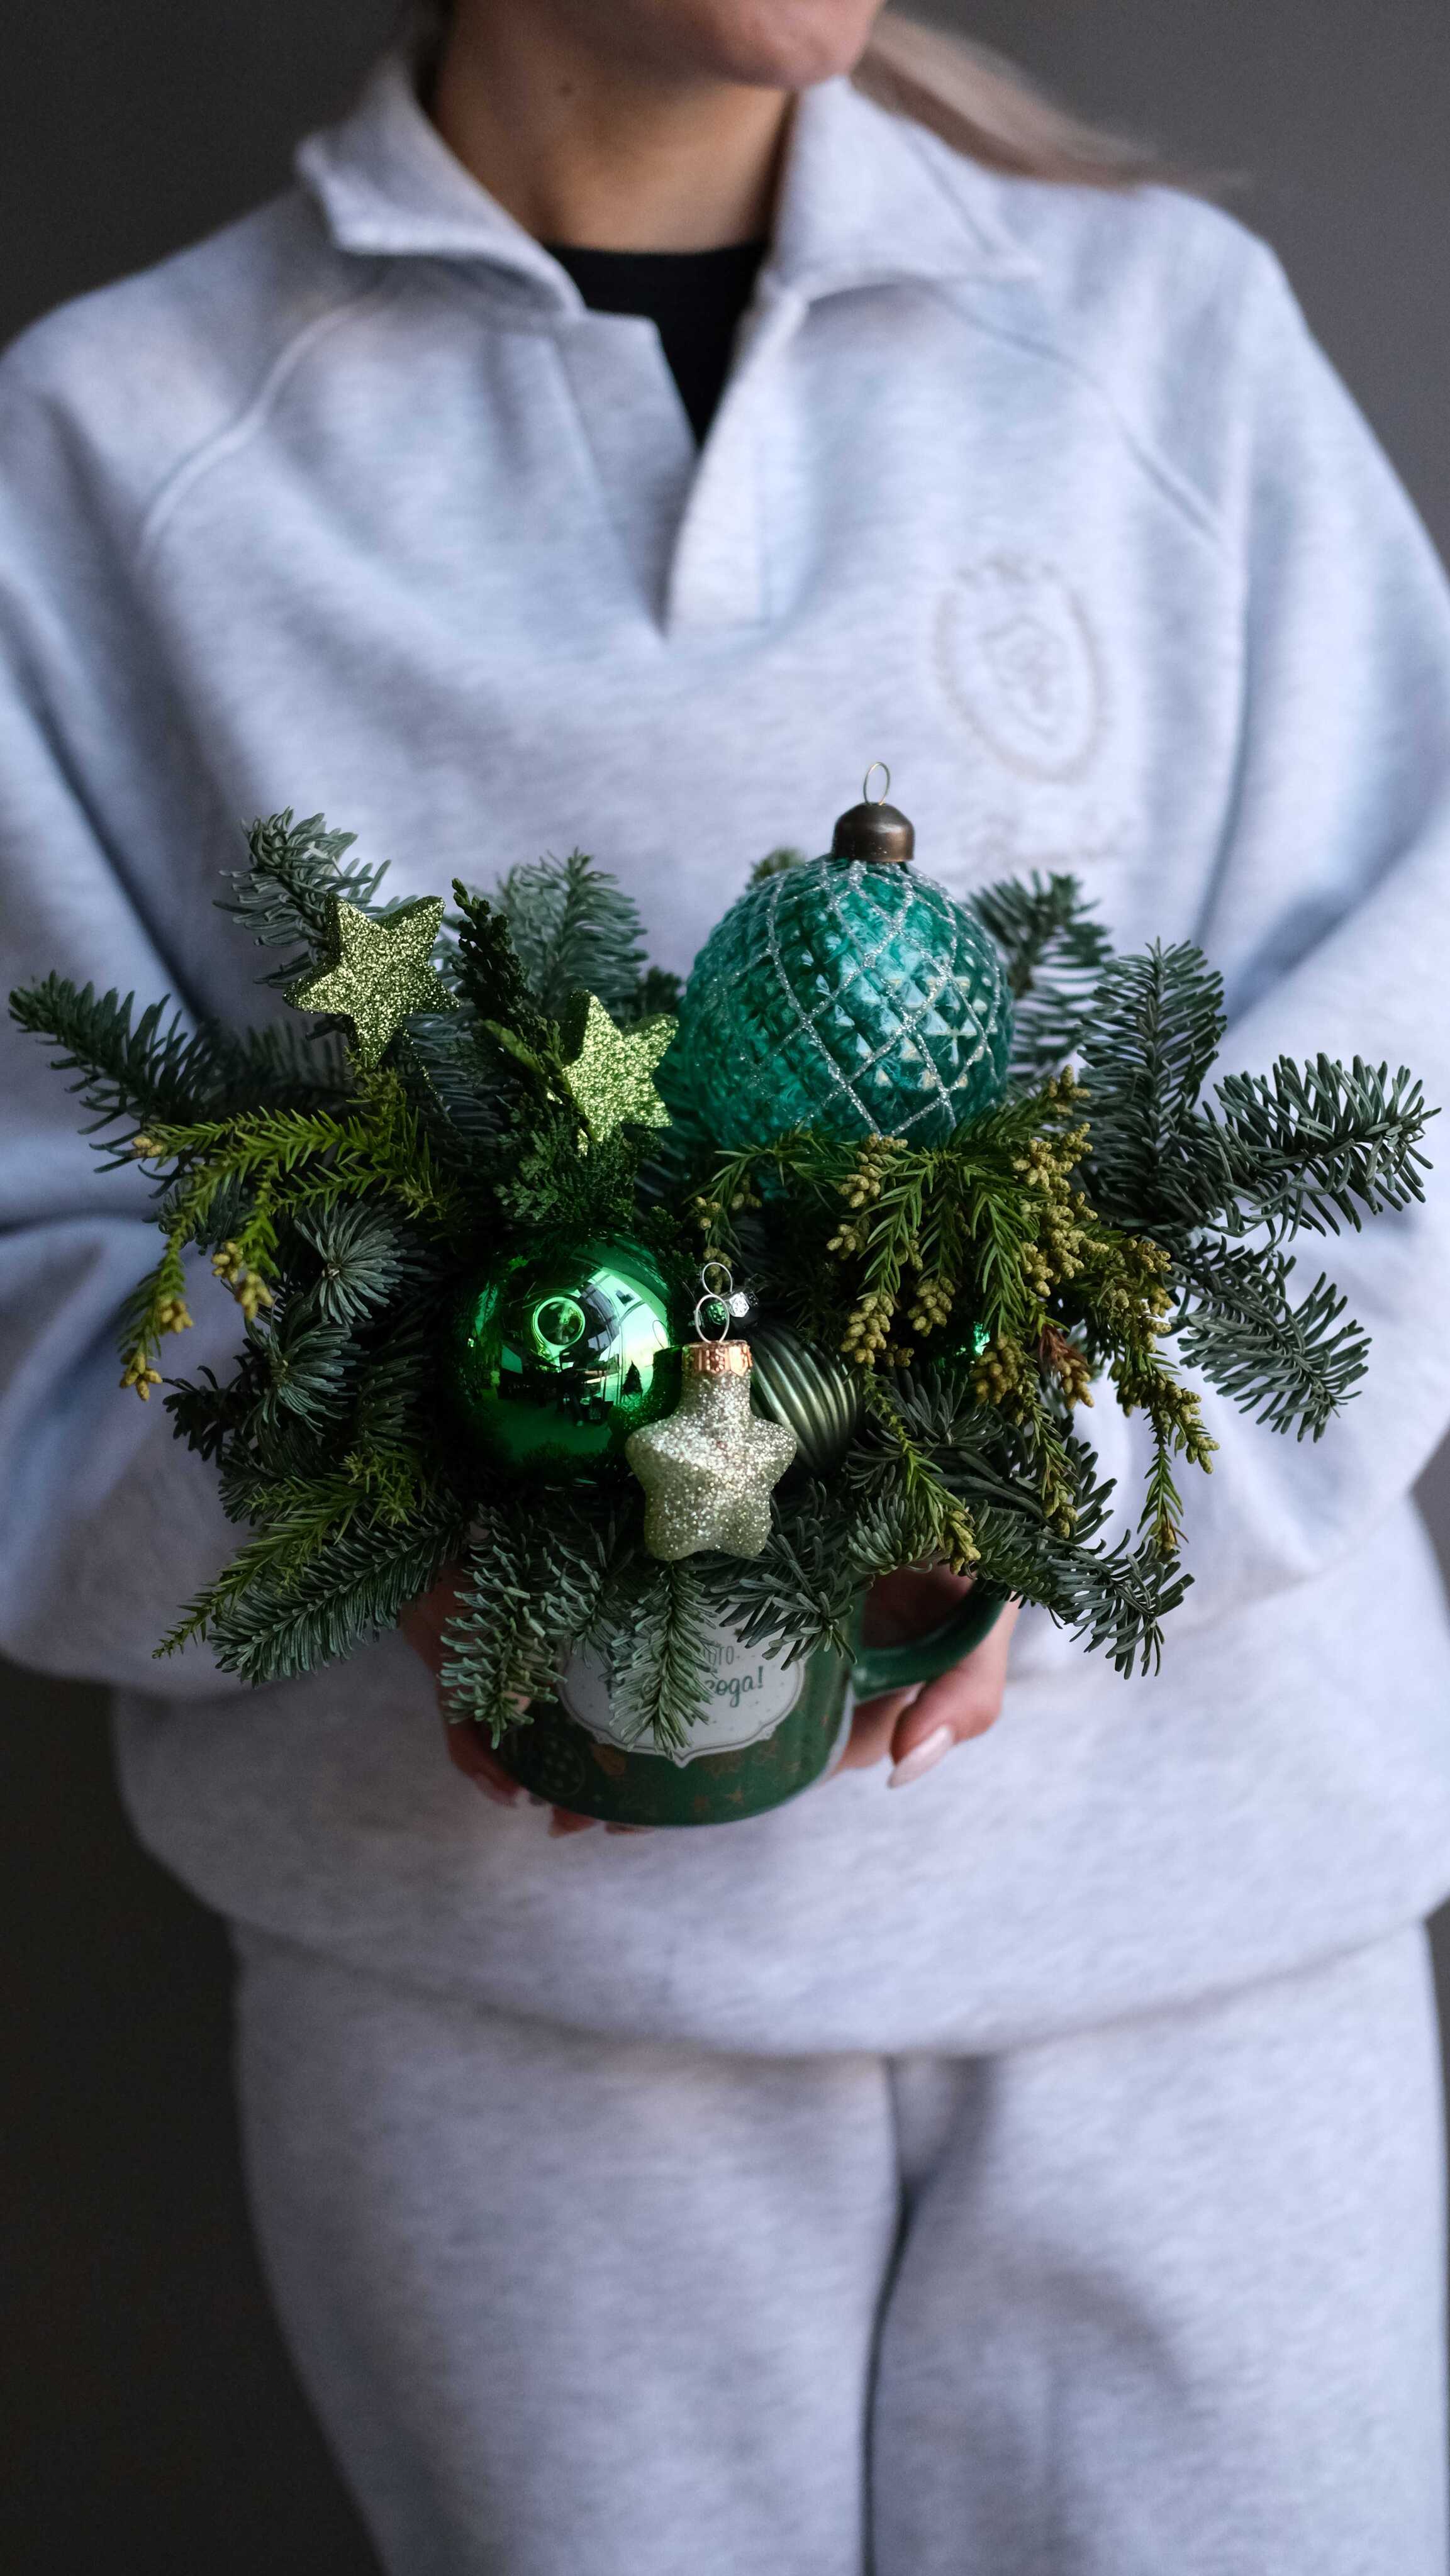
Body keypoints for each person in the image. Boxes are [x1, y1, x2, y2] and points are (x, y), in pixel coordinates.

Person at [3, 4, 1450, 2568]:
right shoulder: (115, 446)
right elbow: (38, 1264)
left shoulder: (1156, 339)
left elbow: (1400, 1073)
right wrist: (423, 1469)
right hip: (507, 2022)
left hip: (1207, 1960)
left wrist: (1025, 1491)